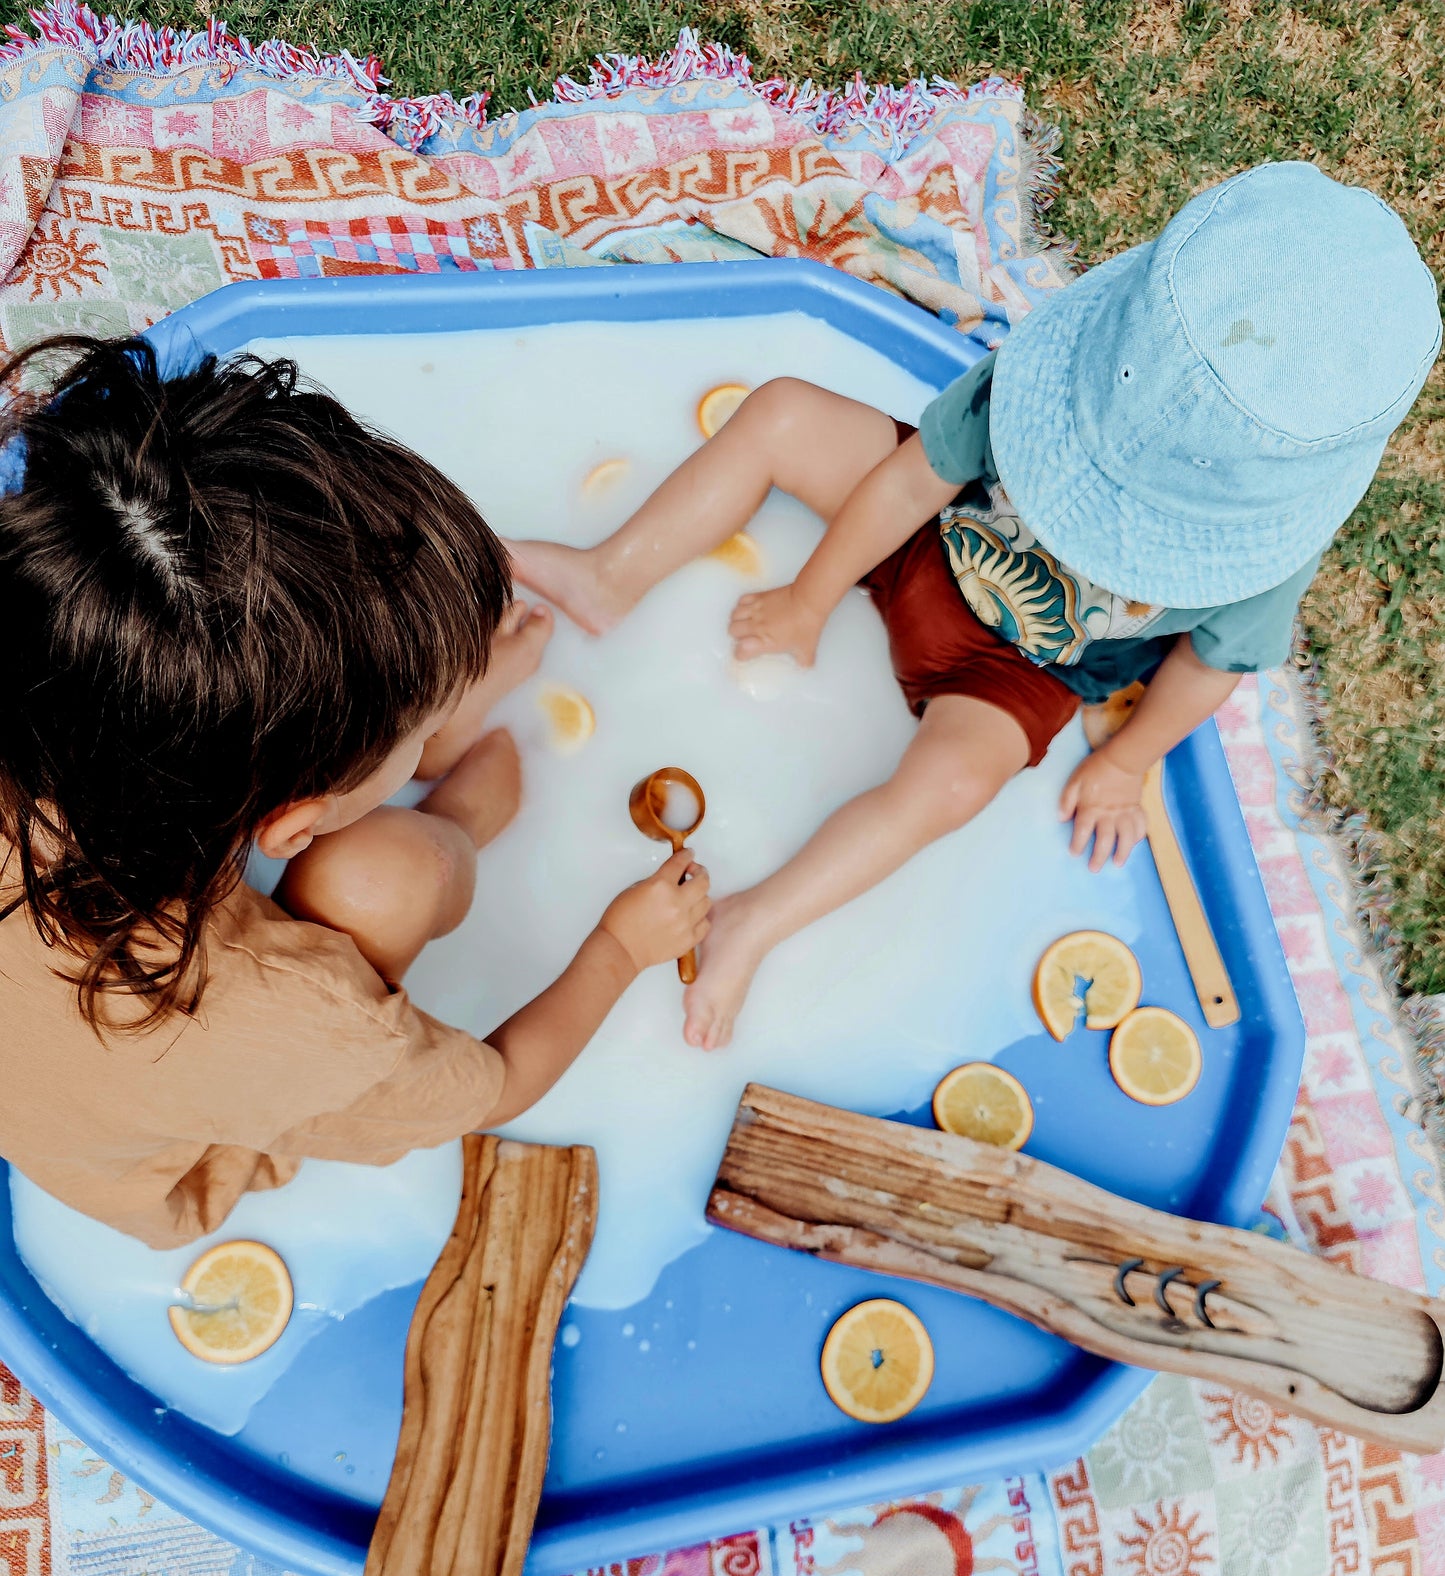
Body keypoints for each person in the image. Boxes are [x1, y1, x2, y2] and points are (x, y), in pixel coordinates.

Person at [512, 161, 1440, 1051]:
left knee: (951, 788)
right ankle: (610, 576)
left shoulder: (1264, 556)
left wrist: (1126, 763)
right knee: (784, 413)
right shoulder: (1052, 381)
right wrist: (808, 595)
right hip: (929, 535)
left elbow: (1209, 666)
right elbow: (913, 479)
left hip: (1022, 669)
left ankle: (754, 922)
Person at [0, 337, 709, 1247]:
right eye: (419, 726)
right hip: (183, 1156)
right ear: (290, 826)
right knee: (395, 874)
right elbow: (497, 1086)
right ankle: (450, 815)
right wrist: (621, 944)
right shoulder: (290, 1025)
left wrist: (405, 688)